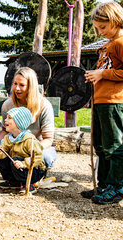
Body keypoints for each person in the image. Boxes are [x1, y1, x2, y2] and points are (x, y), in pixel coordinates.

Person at [83, 1, 123, 204]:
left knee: (114, 145)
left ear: (116, 20)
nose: (101, 32)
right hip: (101, 101)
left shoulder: (121, 42)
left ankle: (117, 186)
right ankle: (105, 184)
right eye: (98, 28)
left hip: (115, 101)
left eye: (104, 27)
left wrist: (103, 73)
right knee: (101, 145)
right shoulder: (107, 45)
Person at [0, 67, 56, 171]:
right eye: (15, 84)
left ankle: (39, 173)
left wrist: (27, 149)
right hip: (15, 144)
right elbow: (4, 131)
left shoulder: (44, 106)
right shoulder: (8, 105)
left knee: (45, 157)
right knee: (2, 153)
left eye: (22, 85)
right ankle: (13, 178)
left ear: (31, 87)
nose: (17, 88)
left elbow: (48, 139)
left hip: (37, 144)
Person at [0, 107, 46, 194]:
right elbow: (2, 154)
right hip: (17, 165)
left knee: (14, 160)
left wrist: (24, 164)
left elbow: (38, 156)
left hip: (34, 169)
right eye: (6, 117)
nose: (5, 120)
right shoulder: (8, 138)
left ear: (19, 123)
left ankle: (28, 184)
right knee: (2, 160)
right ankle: (14, 182)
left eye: (10, 118)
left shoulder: (29, 139)